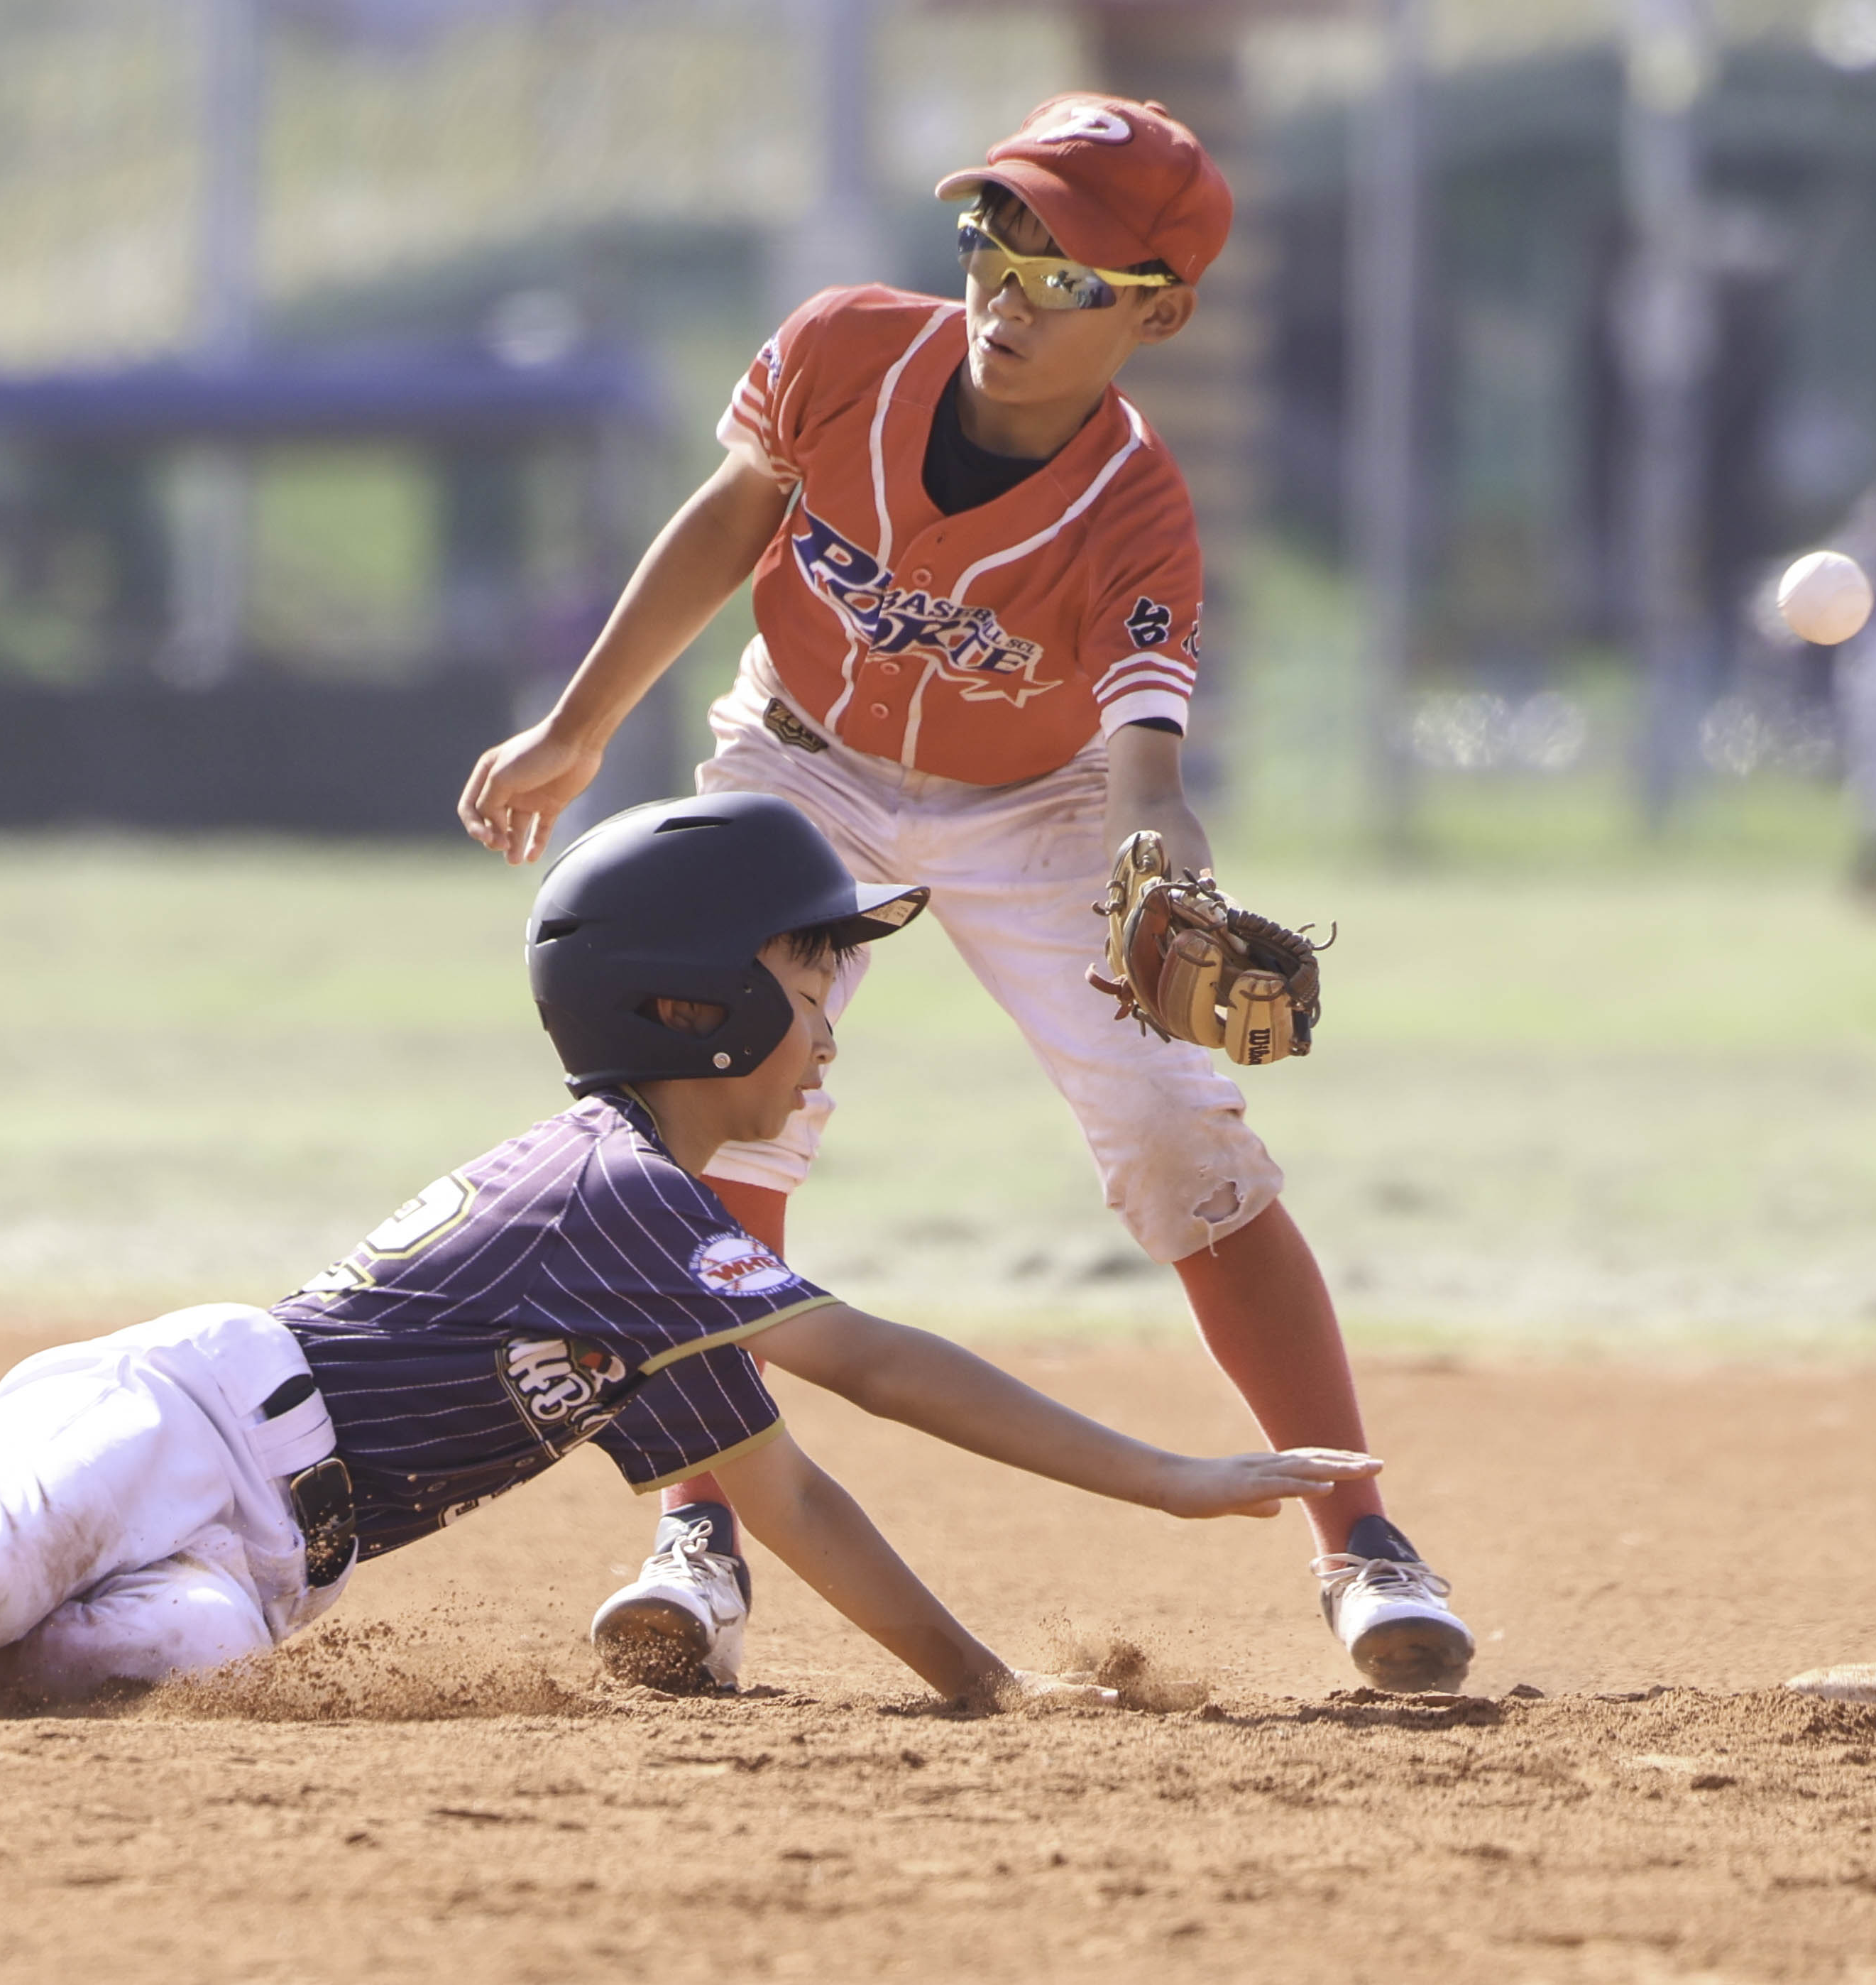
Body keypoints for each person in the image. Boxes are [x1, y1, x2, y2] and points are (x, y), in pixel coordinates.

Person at [0, 794, 1376, 1707]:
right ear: (683, 1005)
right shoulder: (620, 1196)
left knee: (101, 1670)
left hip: (269, 1549)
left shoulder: (647, 1251)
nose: (831, 1006)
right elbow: (886, 1375)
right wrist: (1186, 1478)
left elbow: (789, 1492)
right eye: (808, 968)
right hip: (176, 1413)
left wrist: (979, 1692)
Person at [456, 92, 1474, 1694]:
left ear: (1159, 311)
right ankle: (698, 1529)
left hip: (1041, 806)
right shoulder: (843, 350)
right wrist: (577, 727)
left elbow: (1146, 761)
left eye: (1065, 266)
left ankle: (1358, 1536)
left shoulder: (1135, 510)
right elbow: (732, 518)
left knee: (1172, 1133)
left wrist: (1162, 874)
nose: (1009, 283)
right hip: (801, 761)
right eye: (995, 232)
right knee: (711, 1082)